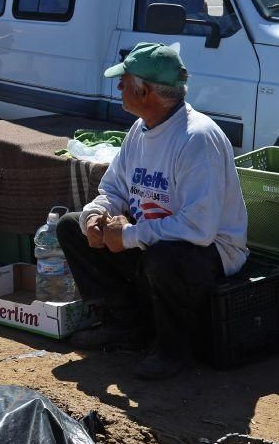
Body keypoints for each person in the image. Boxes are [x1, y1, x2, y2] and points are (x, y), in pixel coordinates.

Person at [57, 42, 248, 380]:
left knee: (164, 258)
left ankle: (172, 350)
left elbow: (199, 230)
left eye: (124, 81)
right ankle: (125, 325)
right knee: (72, 227)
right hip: (156, 238)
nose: (118, 87)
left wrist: (128, 236)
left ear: (143, 90)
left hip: (212, 251)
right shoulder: (140, 129)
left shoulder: (196, 138)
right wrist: (96, 215)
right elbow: (113, 188)